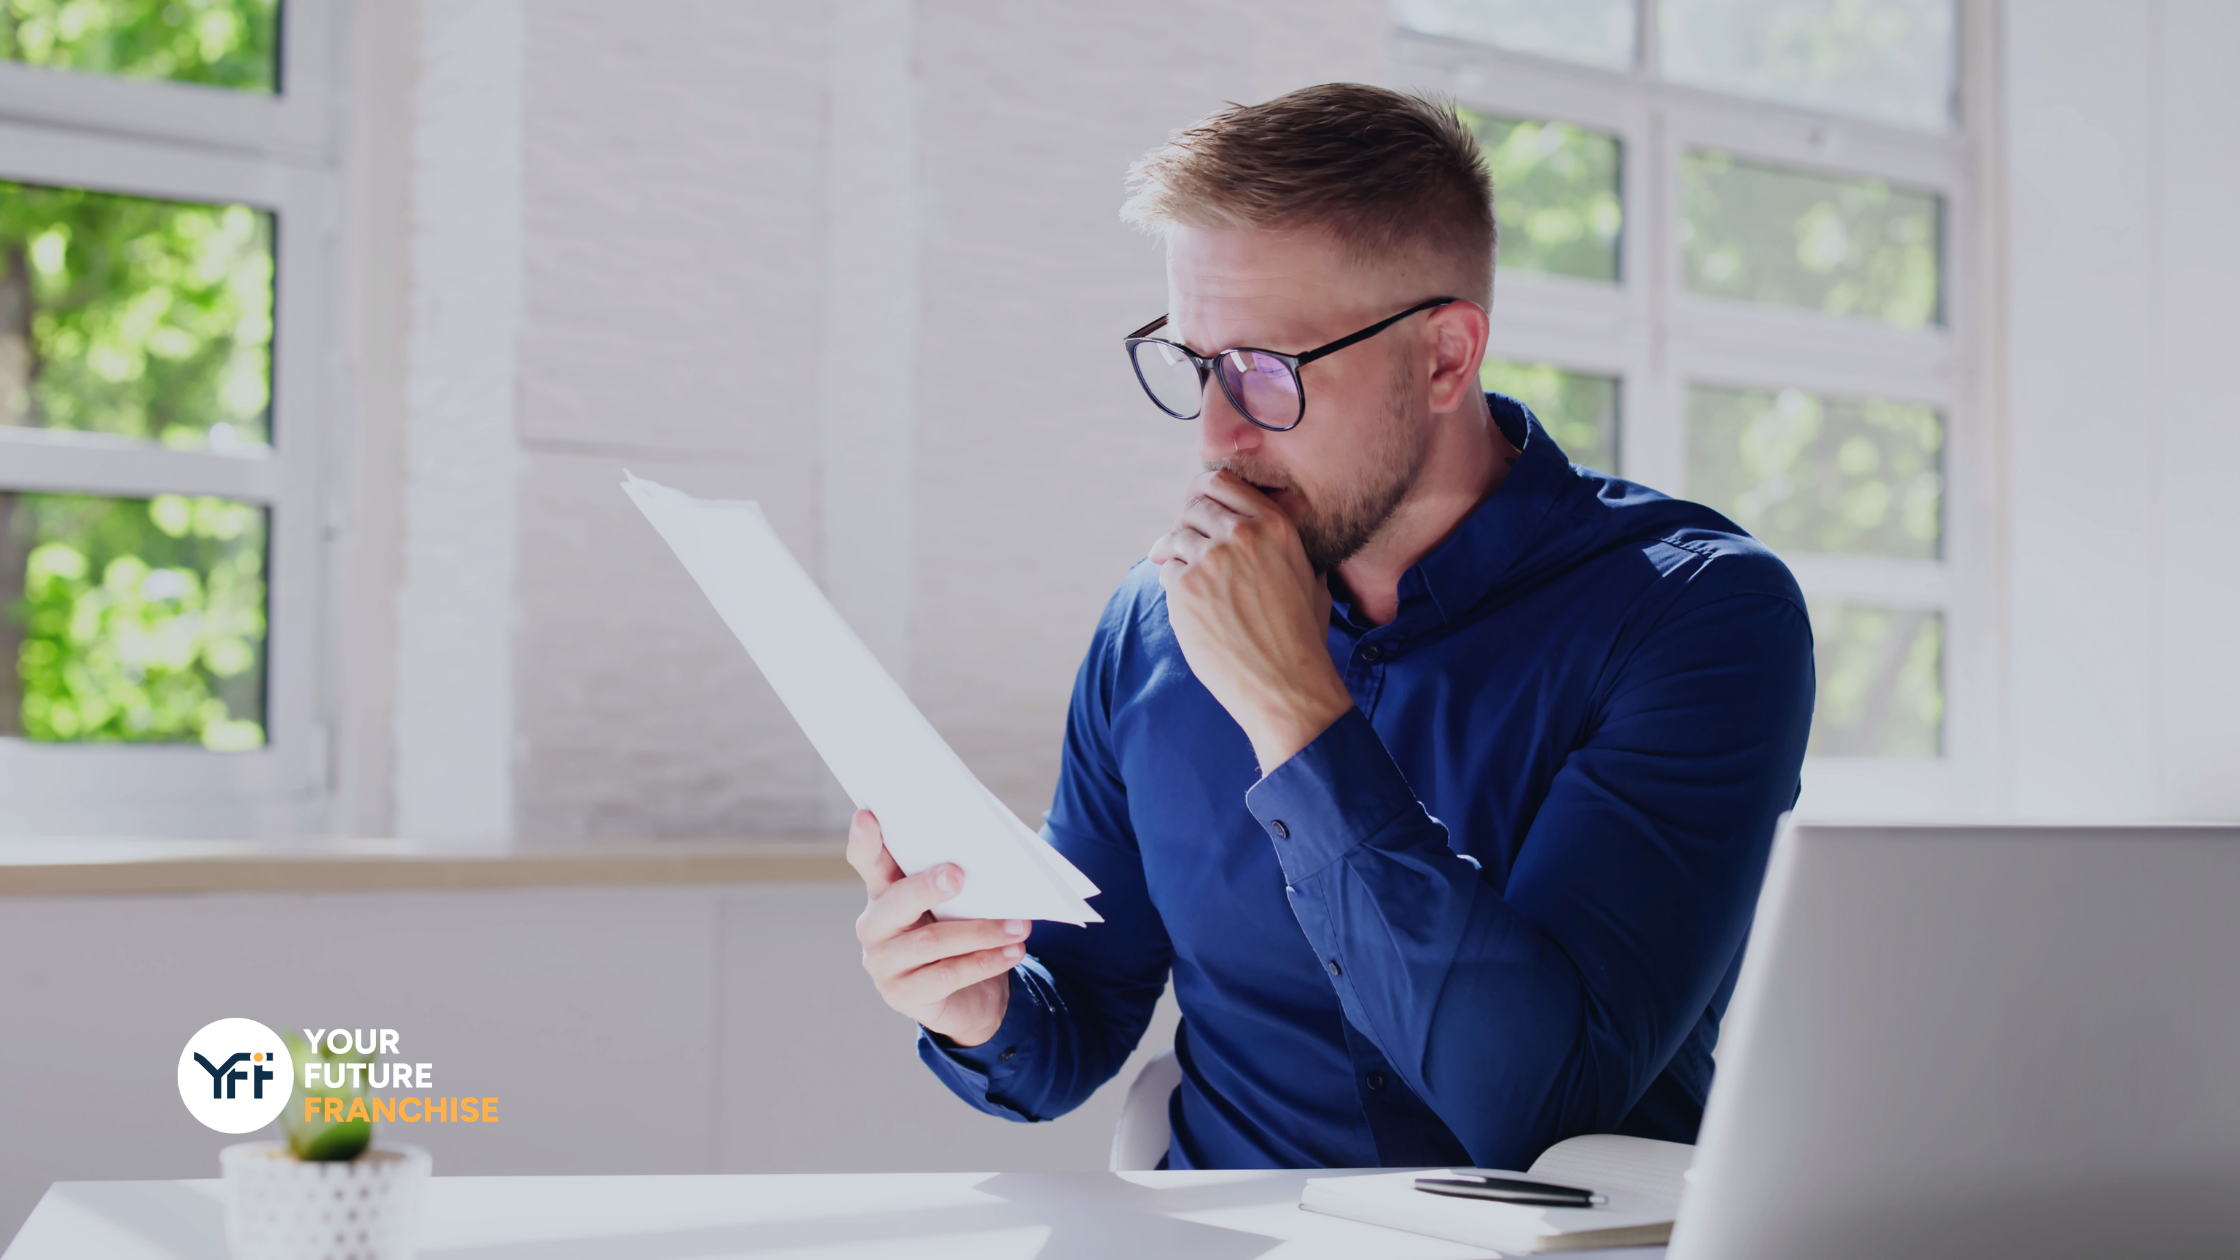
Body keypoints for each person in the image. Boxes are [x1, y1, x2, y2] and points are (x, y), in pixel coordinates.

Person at [846, 83, 1815, 1171]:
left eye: (1265, 371)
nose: (1214, 433)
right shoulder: (1150, 625)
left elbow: (1542, 1109)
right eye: (1195, 362)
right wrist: (977, 1003)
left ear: (1445, 358)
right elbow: (1072, 1020)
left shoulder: (1695, 616)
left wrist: (1289, 708)